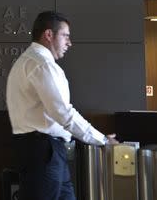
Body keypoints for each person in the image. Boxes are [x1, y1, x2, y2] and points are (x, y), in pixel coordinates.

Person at [6, 11, 118, 200]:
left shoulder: (29, 61)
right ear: (49, 35)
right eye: (65, 36)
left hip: (42, 151)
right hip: (44, 153)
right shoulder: (41, 65)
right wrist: (103, 141)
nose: (69, 43)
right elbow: (64, 114)